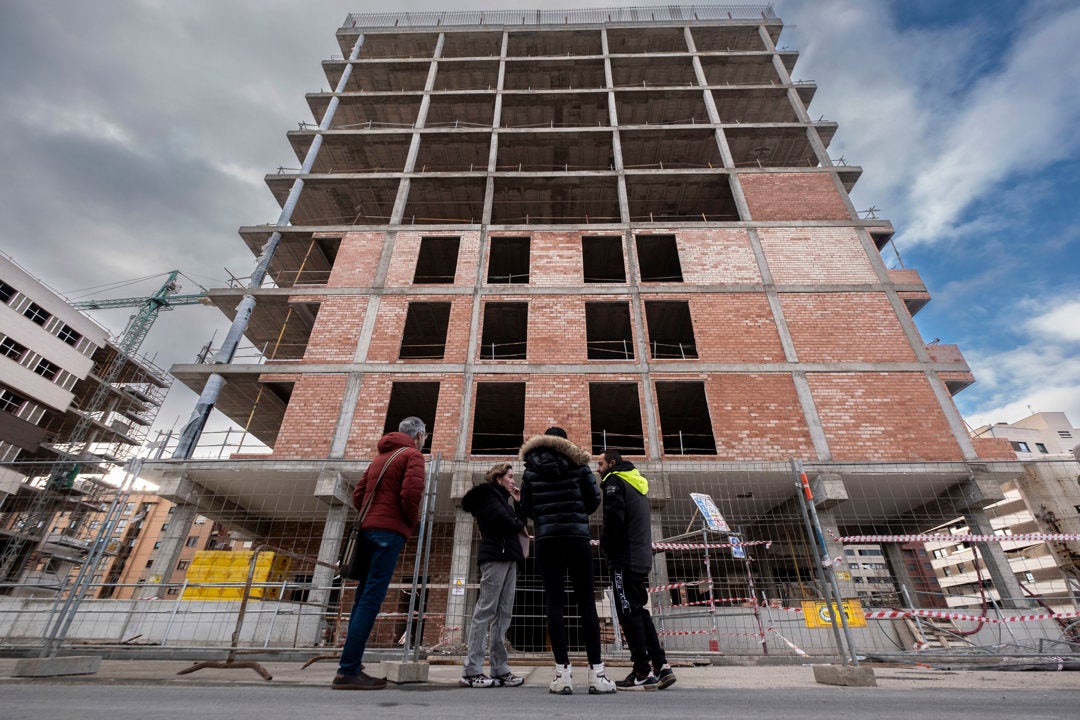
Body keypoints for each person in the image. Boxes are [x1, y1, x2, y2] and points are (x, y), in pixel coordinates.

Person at [519, 426, 616, 695]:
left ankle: (562, 674)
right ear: (565, 443)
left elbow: (525, 507)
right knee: (586, 603)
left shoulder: (530, 469)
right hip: (576, 538)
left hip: (547, 539)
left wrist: (544, 517)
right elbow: (593, 501)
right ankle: (597, 674)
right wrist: (575, 512)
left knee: (554, 603)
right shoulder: (579, 465)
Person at [332, 416, 427, 690]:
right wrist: (409, 521)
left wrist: (374, 515)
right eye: (425, 436)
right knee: (372, 599)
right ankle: (348, 670)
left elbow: (359, 495)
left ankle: (351, 663)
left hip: (367, 530)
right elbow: (411, 493)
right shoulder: (412, 455)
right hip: (389, 531)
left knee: (362, 597)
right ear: (419, 435)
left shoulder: (379, 458)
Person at [597, 450, 676, 691]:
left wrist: (605, 545)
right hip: (639, 558)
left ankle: (642, 671)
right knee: (639, 612)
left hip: (624, 559)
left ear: (612, 463)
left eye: (600, 464)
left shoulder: (614, 481)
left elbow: (614, 519)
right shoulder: (636, 483)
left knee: (628, 615)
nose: (598, 469)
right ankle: (661, 666)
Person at [459, 463, 528, 688]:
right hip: (495, 557)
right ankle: (471, 671)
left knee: (504, 613)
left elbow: (518, 523)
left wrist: (518, 505)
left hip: (509, 557)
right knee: (486, 610)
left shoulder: (503, 501)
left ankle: (499, 668)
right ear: (499, 479)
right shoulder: (488, 497)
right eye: (510, 477)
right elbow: (508, 524)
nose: (513, 481)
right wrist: (516, 521)